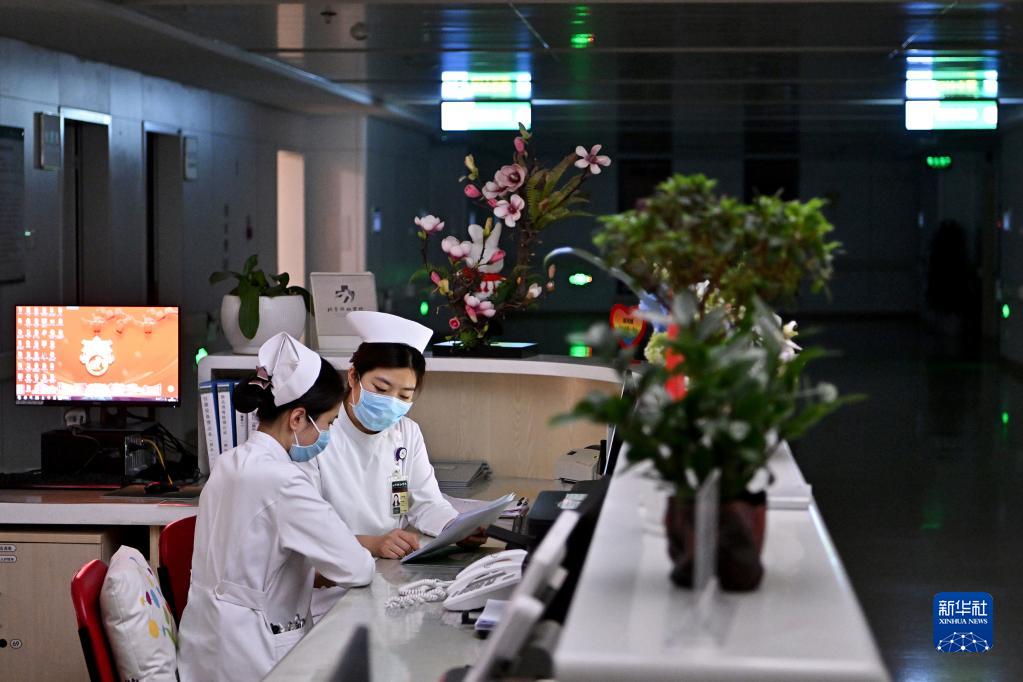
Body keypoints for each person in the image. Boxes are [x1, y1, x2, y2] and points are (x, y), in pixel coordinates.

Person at [178, 333, 374, 682]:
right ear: (297, 418)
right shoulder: (284, 481)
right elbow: (357, 568)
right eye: (328, 423)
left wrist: (308, 573)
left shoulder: (229, 462)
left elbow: (251, 559)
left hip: (204, 646)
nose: (327, 435)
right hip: (254, 654)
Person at [304, 312, 486, 606]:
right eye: (381, 389)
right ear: (353, 376)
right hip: (332, 587)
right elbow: (307, 531)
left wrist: (455, 528)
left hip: (390, 575)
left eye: (404, 395)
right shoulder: (317, 433)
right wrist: (373, 544)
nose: (391, 403)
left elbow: (426, 502)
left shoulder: (407, 432)